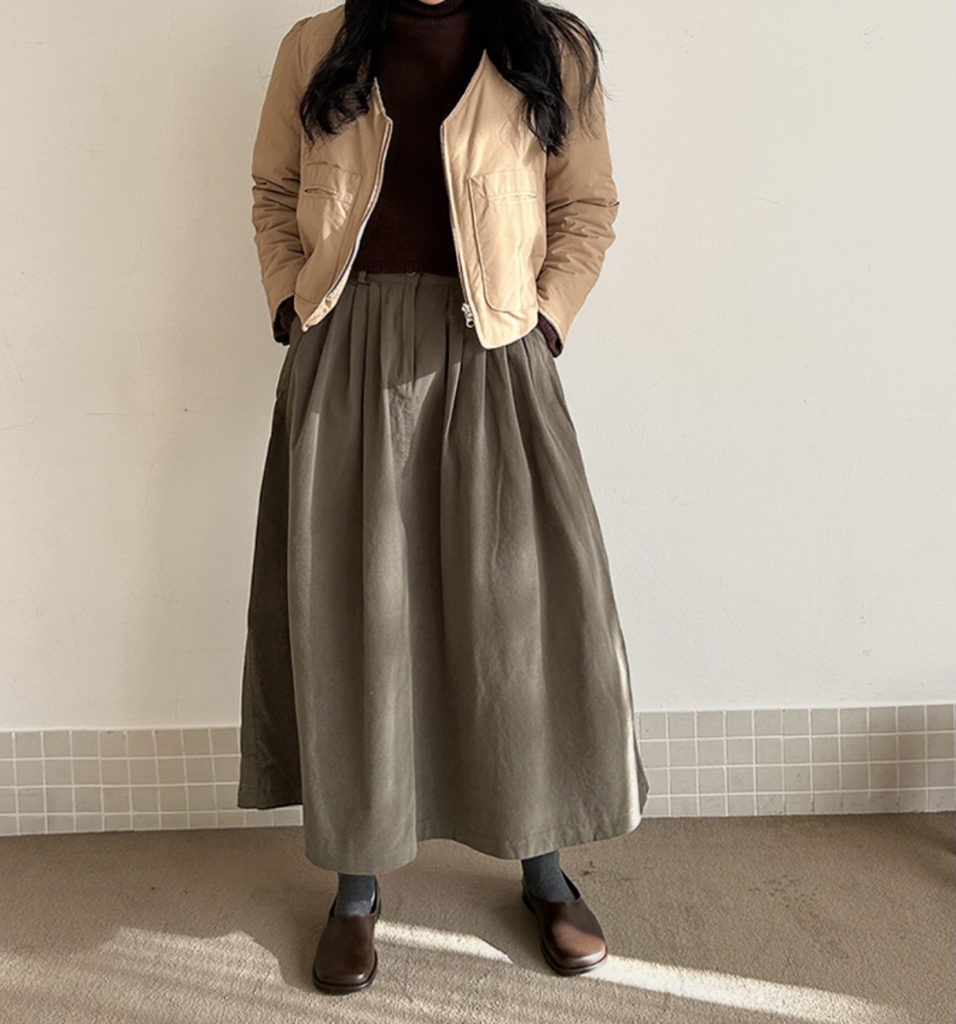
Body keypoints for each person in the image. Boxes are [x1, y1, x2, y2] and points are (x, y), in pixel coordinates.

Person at [237, 0, 650, 994]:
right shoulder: (316, 46)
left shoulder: (551, 48)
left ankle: (543, 874)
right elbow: (274, 187)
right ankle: (354, 891)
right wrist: (291, 301)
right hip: (347, 354)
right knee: (354, 623)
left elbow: (585, 205)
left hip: (495, 352)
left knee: (518, 620)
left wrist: (543, 321)